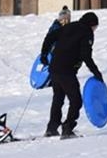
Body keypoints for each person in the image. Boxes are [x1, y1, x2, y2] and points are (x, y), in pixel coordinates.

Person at [39, 11, 103, 139]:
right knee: (76, 100)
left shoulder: (69, 26)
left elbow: (50, 36)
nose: (95, 30)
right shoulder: (87, 33)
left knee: (58, 98)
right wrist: (96, 72)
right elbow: (86, 55)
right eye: (95, 27)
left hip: (54, 68)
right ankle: (67, 129)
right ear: (92, 25)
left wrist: (44, 54)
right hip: (66, 70)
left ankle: (52, 128)